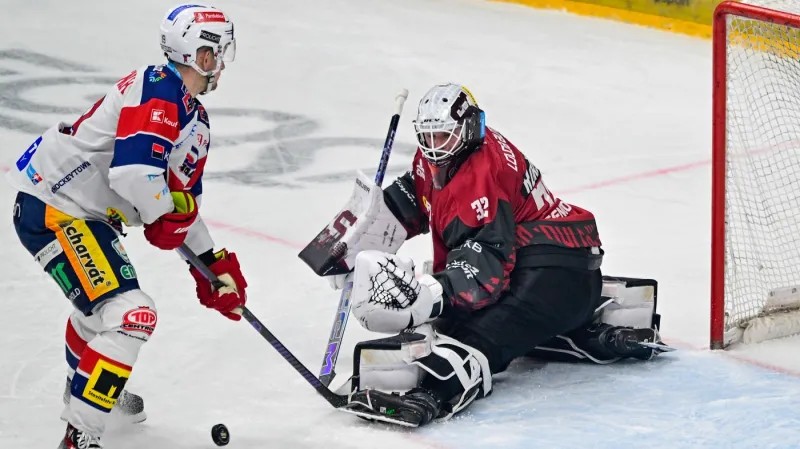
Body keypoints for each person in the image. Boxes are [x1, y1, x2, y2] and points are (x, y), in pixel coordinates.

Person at [306, 83, 669, 427]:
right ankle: (571, 329)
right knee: (456, 321)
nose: (434, 145)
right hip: (555, 268)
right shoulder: (445, 154)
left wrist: (429, 295)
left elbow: (486, 271)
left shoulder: (481, 176)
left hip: (554, 277)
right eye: (428, 136)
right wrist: (349, 244)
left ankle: (431, 394)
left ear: (467, 129)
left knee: (468, 338)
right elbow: (414, 199)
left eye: (443, 136)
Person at [8, 4, 248, 448]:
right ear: (197, 54)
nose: (222, 63)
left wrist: (212, 267)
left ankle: (82, 388)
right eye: (216, 52)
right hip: (53, 205)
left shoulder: (195, 118)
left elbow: (182, 202)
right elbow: (135, 175)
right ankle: (81, 433)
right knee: (131, 316)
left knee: (102, 309)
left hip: (84, 214)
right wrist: (163, 215)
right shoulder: (159, 90)